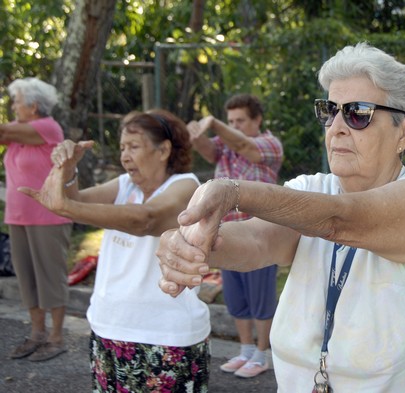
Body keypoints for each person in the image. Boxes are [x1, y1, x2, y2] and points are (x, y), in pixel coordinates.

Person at [156, 42, 405, 392]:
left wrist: (234, 191)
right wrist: (189, 244)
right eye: (329, 110)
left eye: (358, 112)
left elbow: (341, 220)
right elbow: (257, 239)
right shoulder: (311, 188)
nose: (336, 126)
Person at [19, 109, 211, 392]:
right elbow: (78, 201)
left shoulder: (187, 186)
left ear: (164, 150)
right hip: (108, 328)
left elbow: (147, 219)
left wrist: (67, 206)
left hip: (167, 335)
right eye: (122, 147)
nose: (124, 156)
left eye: (134, 146)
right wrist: (69, 169)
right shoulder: (124, 185)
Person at [186, 94, 283, 378]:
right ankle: (245, 351)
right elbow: (205, 149)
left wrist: (213, 123)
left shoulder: (269, 144)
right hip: (227, 233)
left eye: (240, 120)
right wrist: (196, 134)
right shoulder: (223, 144)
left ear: (257, 120)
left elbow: (244, 145)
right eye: (230, 121)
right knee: (236, 298)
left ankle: (262, 355)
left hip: (261, 236)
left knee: (261, 299)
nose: (235, 126)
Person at [1, 77, 73, 362]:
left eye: (16, 101)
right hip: (17, 216)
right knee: (27, 277)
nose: (13, 106)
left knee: (50, 277)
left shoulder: (46, 127)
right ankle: (37, 334)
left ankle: (56, 337)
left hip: (48, 216)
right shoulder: (19, 133)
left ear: (33, 105)